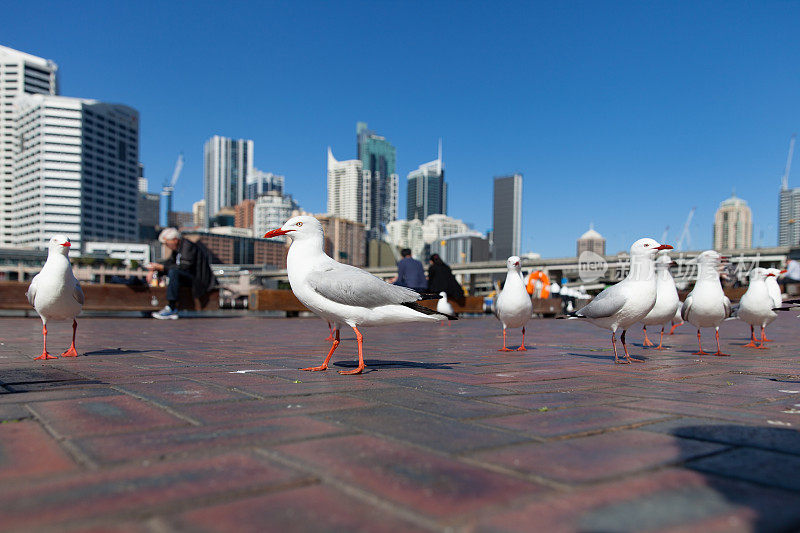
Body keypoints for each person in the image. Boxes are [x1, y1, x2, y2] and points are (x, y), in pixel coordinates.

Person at [146, 228, 216, 319]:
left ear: (175, 240)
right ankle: (150, 306)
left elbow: (184, 267)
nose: (166, 246)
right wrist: (154, 269)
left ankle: (171, 307)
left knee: (173, 272)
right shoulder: (178, 249)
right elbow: (169, 263)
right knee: (170, 272)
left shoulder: (188, 246)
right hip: (187, 277)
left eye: (167, 243)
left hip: (197, 280)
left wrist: (162, 268)